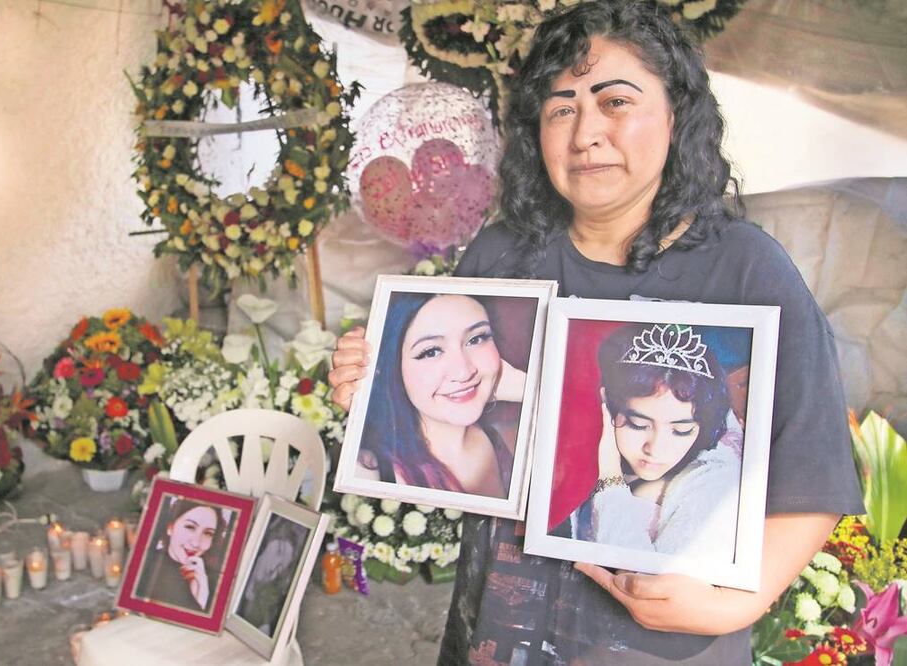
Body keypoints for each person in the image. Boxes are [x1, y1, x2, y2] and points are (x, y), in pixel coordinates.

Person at [329, 1, 863, 663]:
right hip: (498, 624)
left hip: (659, 642)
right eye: (560, 109)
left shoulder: (745, 267)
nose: (585, 133)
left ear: (674, 114)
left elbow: (813, 463)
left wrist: (740, 601)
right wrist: (379, 398)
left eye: (614, 102)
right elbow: (468, 438)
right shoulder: (499, 258)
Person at [568, 323, 743, 562]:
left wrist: (609, 476)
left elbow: (642, 577)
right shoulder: (576, 443)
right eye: (638, 425)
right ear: (607, 406)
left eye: (681, 430)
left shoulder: (715, 481)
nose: (656, 448)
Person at [357, 292, 527, 498]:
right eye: (431, 352)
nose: (463, 371)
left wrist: (523, 387)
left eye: (476, 339)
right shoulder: (368, 472)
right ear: (393, 367)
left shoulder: (514, 436)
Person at [134, 498, 227, 614]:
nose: (196, 543)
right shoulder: (145, 569)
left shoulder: (213, 579)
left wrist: (203, 591)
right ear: (170, 527)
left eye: (208, 533)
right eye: (190, 527)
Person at [236, 517, 309, 637]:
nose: (274, 567)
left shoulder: (266, 599)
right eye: (278, 552)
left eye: (283, 565)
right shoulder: (243, 576)